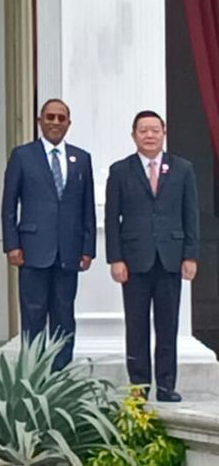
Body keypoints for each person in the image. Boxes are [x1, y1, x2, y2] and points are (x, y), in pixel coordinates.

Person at [106, 110, 200, 402]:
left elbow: (190, 214)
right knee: (136, 325)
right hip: (134, 260)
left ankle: (167, 384)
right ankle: (139, 385)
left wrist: (191, 255)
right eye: (143, 130)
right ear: (134, 134)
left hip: (171, 258)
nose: (149, 135)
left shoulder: (182, 169)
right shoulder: (121, 170)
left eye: (154, 130)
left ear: (164, 132)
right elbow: (112, 219)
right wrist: (115, 259)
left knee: (168, 324)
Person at [0, 98, 95, 370]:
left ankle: (60, 374)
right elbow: (9, 205)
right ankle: (34, 374)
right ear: (40, 121)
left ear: (68, 123)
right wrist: (12, 244)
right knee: (33, 315)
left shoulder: (81, 158)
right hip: (32, 249)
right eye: (50, 117)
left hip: (69, 251)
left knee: (64, 315)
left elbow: (87, 206)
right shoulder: (22, 155)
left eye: (61, 118)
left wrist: (88, 248)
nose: (55, 122)